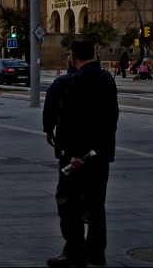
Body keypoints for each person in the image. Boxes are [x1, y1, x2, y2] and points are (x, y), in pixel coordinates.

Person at [48, 38, 119, 268]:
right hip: (101, 154)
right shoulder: (107, 77)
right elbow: (112, 117)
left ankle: (75, 253)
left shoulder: (77, 80)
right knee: (96, 205)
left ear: (72, 55)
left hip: (78, 158)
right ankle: (97, 254)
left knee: (69, 205)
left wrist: (74, 153)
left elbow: (70, 119)